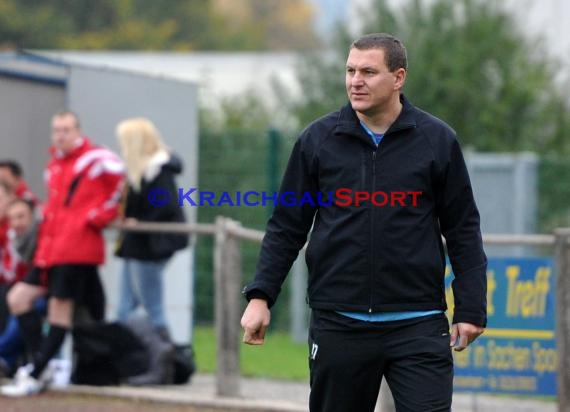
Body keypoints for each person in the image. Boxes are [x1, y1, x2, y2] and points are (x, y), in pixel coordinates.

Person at [240, 33, 487, 412]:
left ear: (399, 77)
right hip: (339, 323)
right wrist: (261, 296)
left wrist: (470, 306)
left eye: (369, 72)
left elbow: (462, 228)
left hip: (418, 323)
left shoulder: (436, 140)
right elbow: (287, 226)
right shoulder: (318, 140)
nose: (356, 80)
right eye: (350, 70)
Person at [0, 110, 125, 397]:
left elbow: (123, 184)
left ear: (78, 131)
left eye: (66, 130)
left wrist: (99, 215)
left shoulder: (96, 158)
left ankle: (36, 371)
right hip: (51, 250)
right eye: (56, 130)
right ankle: (39, 365)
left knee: (60, 312)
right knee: (17, 298)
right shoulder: (55, 164)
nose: (60, 135)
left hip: (75, 250)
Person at [114, 117, 187, 342]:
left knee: (152, 307)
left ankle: (165, 357)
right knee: (124, 308)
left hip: (148, 246)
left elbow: (167, 205)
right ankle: (125, 354)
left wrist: (140, 221)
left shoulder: (158, 170)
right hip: (136, 245)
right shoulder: (142, 170)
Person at [0, 198, 44, 377]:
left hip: (52, 292)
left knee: (19, 301)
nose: (17, 223)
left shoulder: (41, 237)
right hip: (24, 289)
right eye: (13, 218)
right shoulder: (15, 239)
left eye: (21, 217)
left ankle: (4, 355)